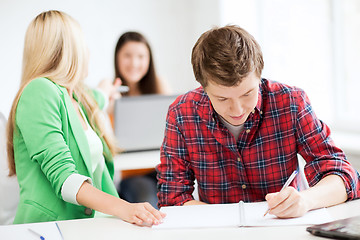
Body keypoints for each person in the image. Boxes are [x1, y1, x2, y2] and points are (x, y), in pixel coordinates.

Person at [157, 25, 360, 218]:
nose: (237, 110)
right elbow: (172, 197)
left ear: (259, 75)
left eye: (247, 93)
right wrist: (225, 221)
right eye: (222, 99)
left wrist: (305, 201)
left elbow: (345, 176)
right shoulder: (182, 113)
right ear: (202, 86)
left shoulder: (291, 102)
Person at [6, 10, 164, 225]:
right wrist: (125, 208)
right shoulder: (39, 91)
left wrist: (107, 91)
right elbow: (65, 179)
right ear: (68, 50)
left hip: (90, 224)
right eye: (83, 43)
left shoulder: (76, 97)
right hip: (53, 227)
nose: (88, 51)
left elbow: (98, 96)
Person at [111, 32, 170, 209]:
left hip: (163, 170)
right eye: (127, 56)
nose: (134, 63)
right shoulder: (111, 92)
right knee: (147, 202)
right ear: (117, 58)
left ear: (149, 60)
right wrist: (108, 103)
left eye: (141, 57)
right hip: (134, 176)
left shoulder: (160, 85)